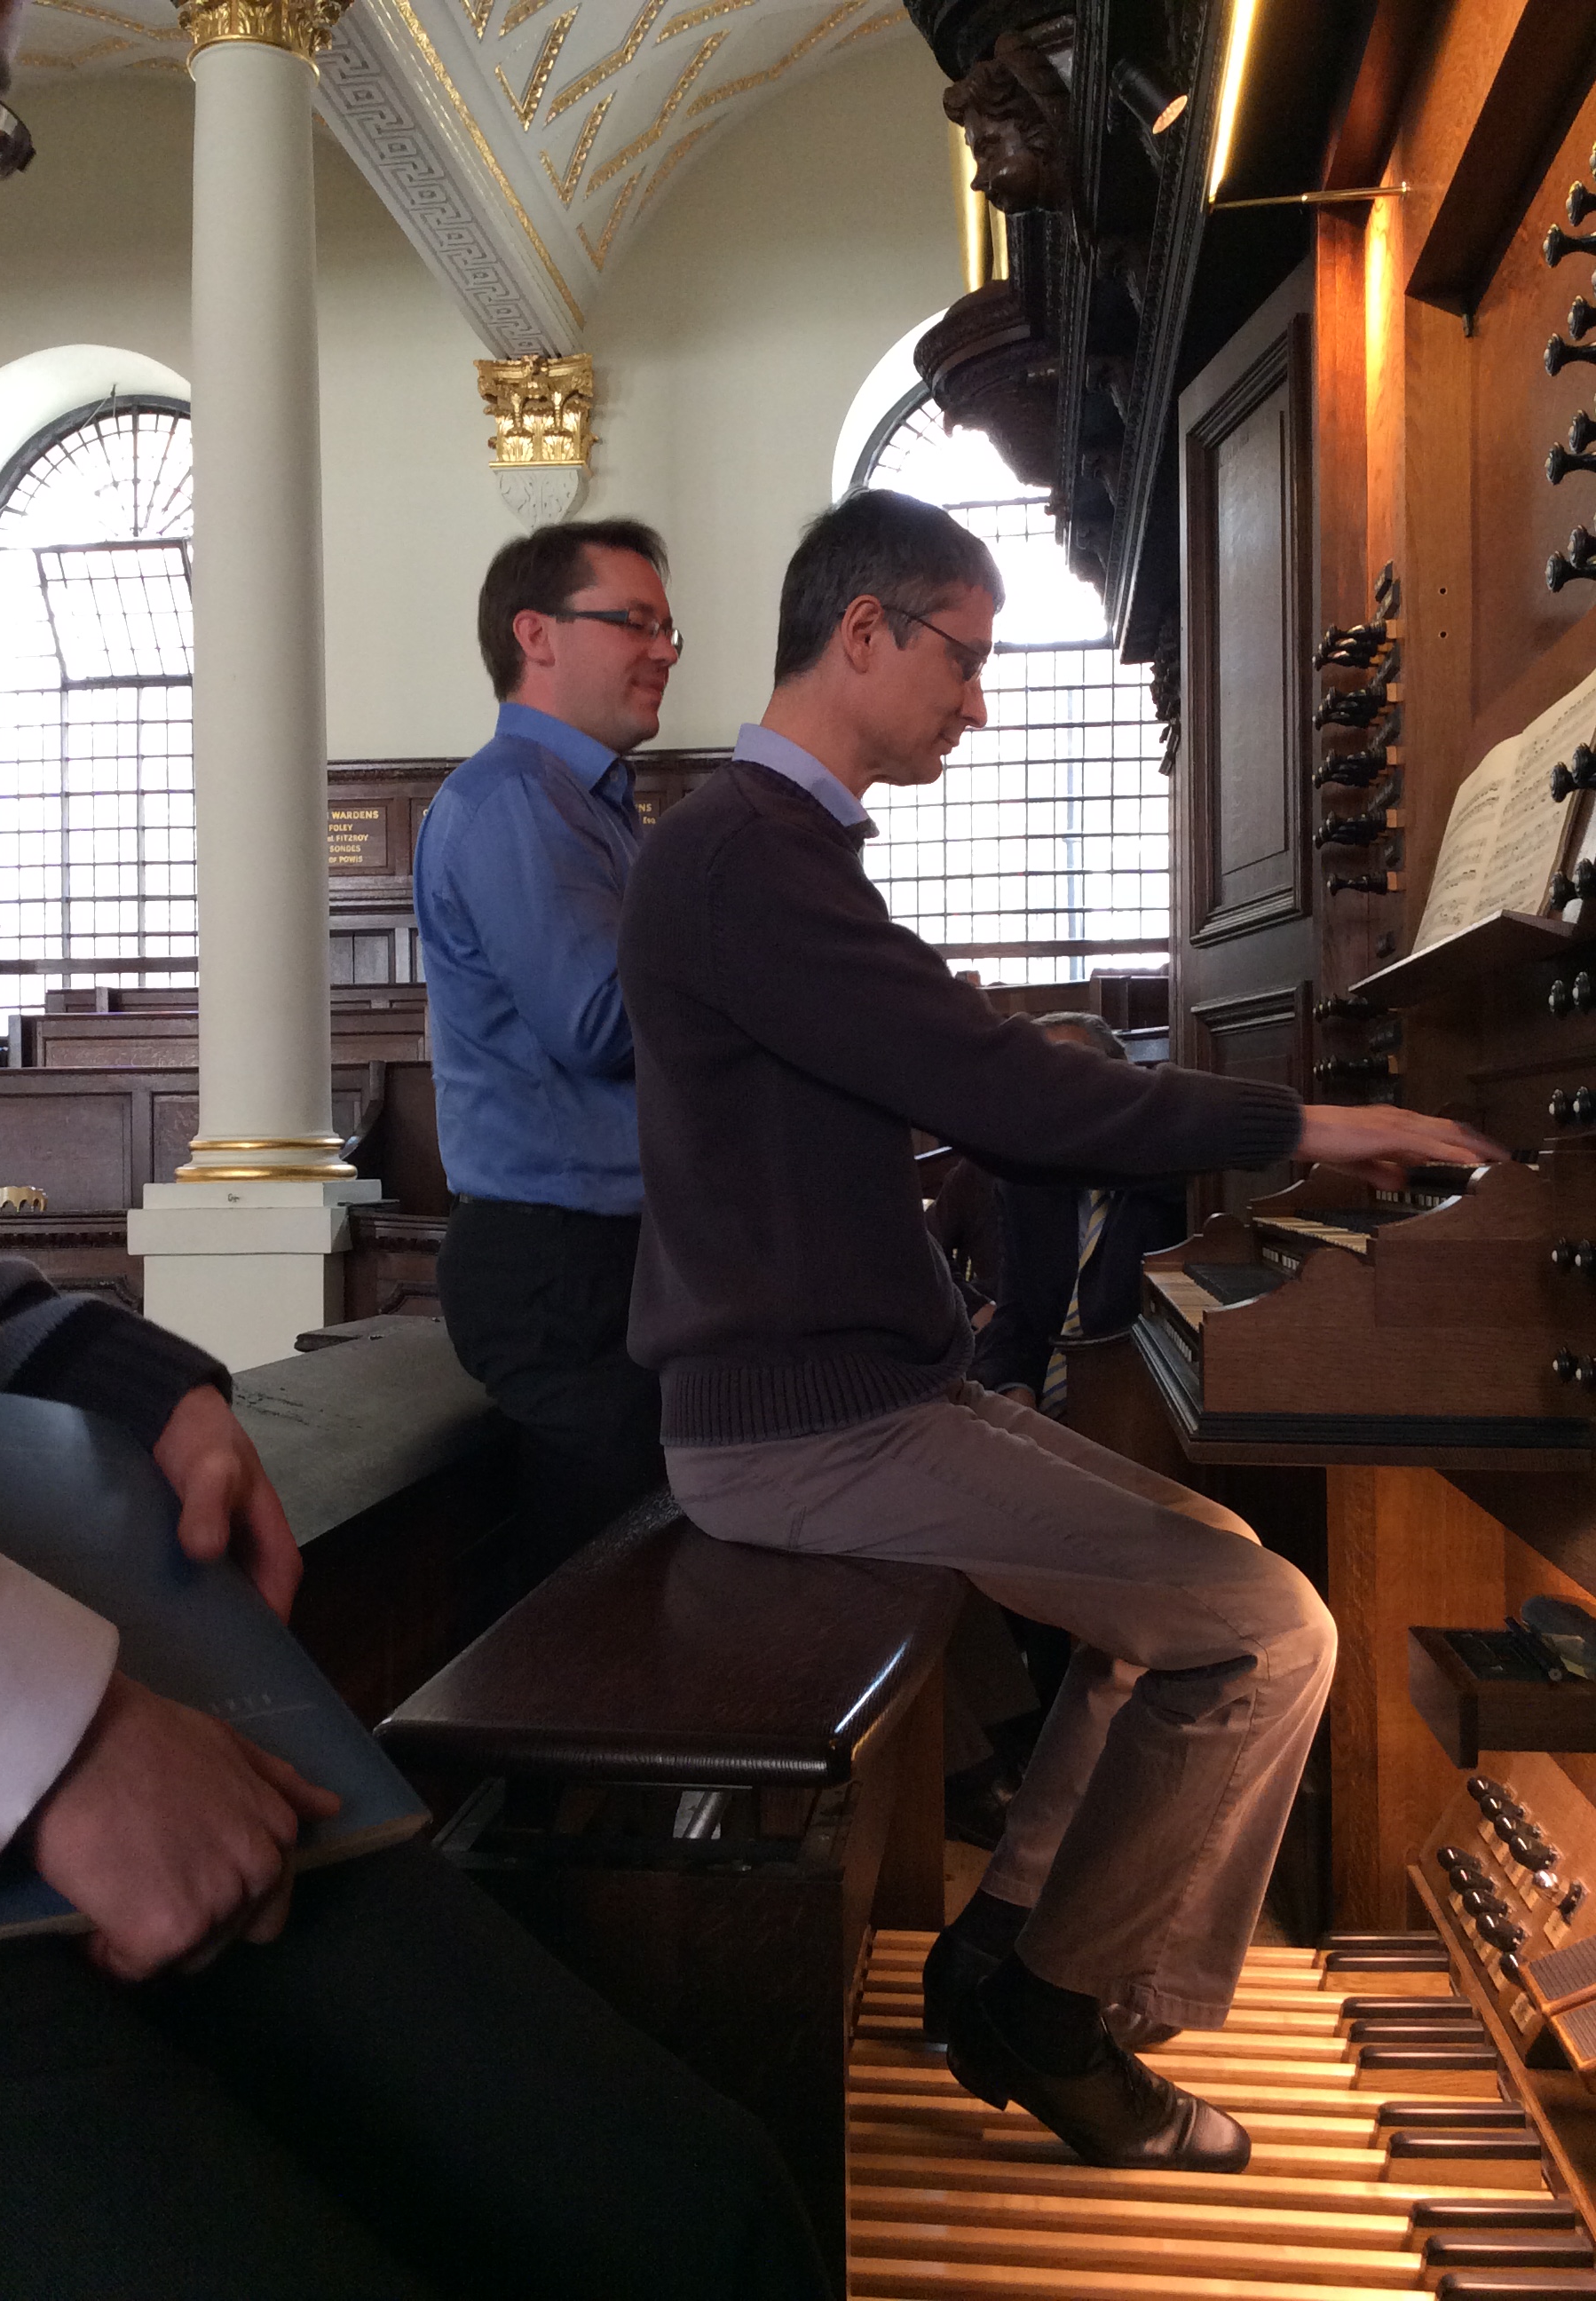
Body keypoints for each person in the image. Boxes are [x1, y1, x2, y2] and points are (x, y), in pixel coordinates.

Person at [0, 19, 830, 2295]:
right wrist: (3, 1716)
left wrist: (95, 1362)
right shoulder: (522, 817)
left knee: (685, 2218)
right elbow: (615, 1027)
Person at [617, 487, 1501, 2174]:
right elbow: (990, 1082)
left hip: (859, 1398)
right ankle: (1057, 2007)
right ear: (862, 629)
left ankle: (1008, 1947)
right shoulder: (739, 853)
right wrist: (1302, 1129)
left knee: (1201, 1562)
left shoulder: (769, 852)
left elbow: (977, 1079)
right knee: (1264, 1624)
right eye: (963, 658)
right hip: (804, 1435)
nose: (976, 698)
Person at [415, 521, 678, 1578]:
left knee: (636, 1588)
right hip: (559, 1264)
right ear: (537, 633)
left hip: (608, 1256)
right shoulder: (519, 798)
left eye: (668, 628)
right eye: (635, 622)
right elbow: (602, 1024)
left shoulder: (592, 805)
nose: (662, 648)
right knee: (598, 1607)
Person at [972, 1008, 1187, 1419]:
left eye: (1070, 1076)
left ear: (1121, 1082)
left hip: (1147, 1403)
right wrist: (1015, 1392)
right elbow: (1017, 1314)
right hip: (1049, 1414)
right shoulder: (1023, 1182)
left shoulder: (1172, 1173)